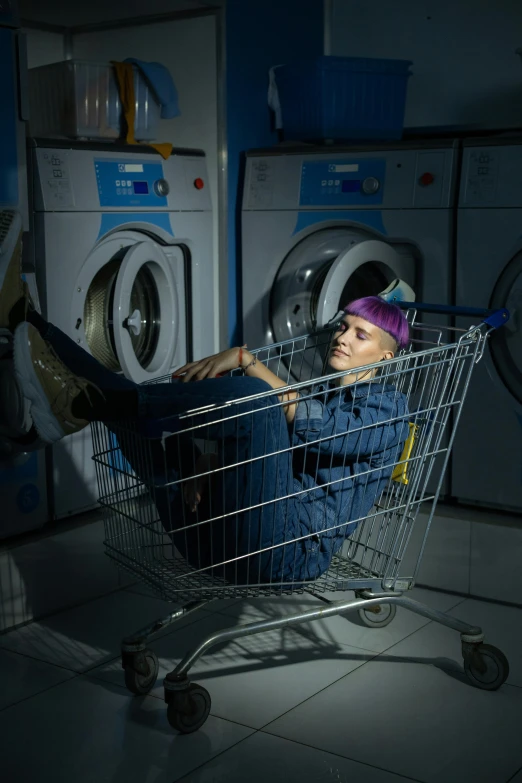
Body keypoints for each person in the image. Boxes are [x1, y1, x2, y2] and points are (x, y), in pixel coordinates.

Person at [0, 229, 410, 586]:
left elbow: (323, 430)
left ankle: (85, 402)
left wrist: (245, 359)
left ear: (385, 358)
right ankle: (31, 324)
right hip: (213, 535)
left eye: (361, 335)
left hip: (287, 551)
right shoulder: (321, 393)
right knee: (138, 411)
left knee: (258, 398)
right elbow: (266, 454)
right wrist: (209, 461)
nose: (343, 337)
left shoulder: (390, 411)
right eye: (344, 326)